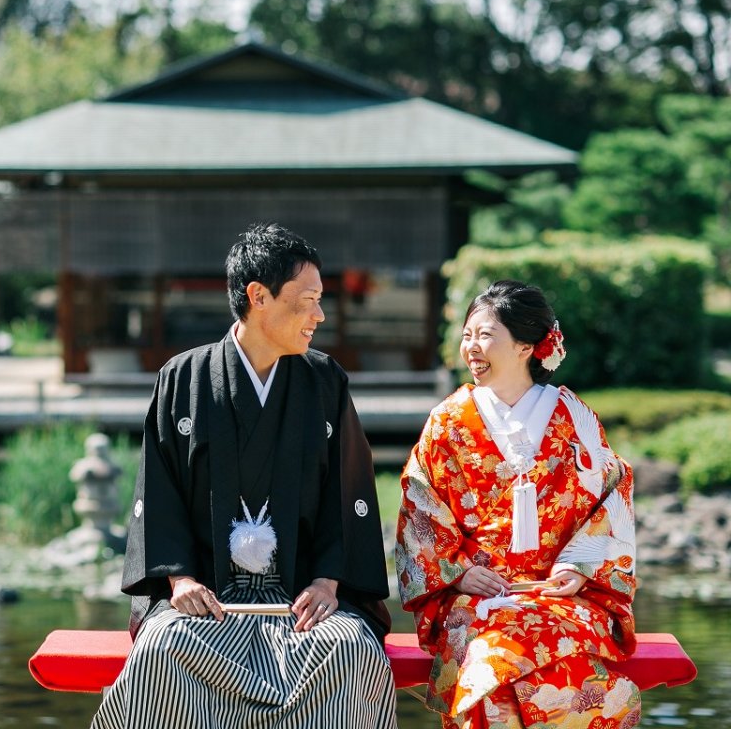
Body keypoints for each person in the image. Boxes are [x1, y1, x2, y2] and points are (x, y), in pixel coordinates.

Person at [91, 223, 396, 729]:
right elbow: (158, 491)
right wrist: (180, 579)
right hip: (204, 603)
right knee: (162, 648)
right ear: (258, 296)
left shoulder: (325, 381)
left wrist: (326, 581)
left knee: (349, 649)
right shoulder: (182, 379)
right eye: (308, 300)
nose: (319, 315)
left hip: (301, 604)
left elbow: (351, 491)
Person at [396, 280, 638, 729]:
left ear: (527, 344)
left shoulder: (573, 418)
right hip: (476, 598)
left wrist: (578, 568)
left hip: (558, 595)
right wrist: (460, 573)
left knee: (568, 663)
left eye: (485, 335)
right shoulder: (447, 421)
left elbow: (612, 496)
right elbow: (420, 507)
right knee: (490, 662)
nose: (471, 347)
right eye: (467, 335)